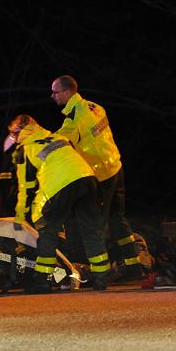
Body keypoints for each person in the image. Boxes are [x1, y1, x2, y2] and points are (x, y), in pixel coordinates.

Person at [50, 75, 142, 279]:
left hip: (102, 176)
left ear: (67, 92)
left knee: (95, 226)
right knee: (117, 218)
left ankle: (101, 272)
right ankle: (133, 266)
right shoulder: (95, 107)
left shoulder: (76, 119)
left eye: (55, 92)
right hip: (116, 167)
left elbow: (57, 141)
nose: (52, 96)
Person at [10, 114, 112, 292]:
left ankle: (42, 280)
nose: (13, 138)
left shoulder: (25, 149)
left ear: (19, 132)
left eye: (13, 134)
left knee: (48, 230)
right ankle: (102, 276)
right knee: (91, 230)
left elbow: (25, 188)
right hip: (87, 179)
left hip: (60, 186)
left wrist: (20, 217)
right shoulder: (58, 137)